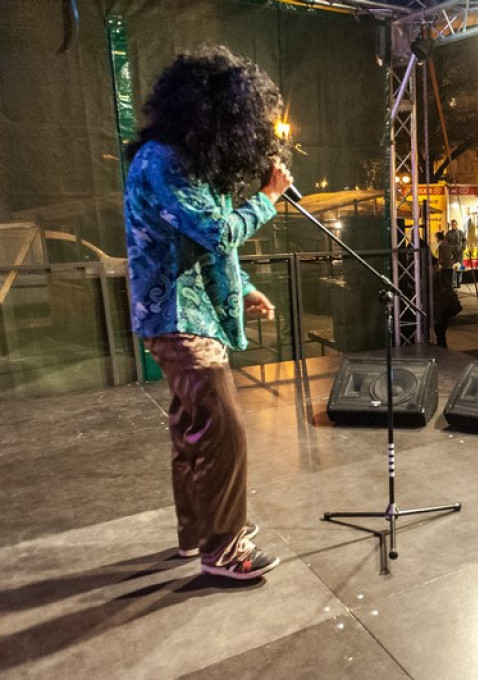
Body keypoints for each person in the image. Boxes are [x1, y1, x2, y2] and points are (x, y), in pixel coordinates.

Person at [124, 46, 292, 580]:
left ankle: (196, 533)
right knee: (223, 432)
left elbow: (212, 250)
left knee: (193, 430)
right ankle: (225, 548)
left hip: (193, 315)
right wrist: (267, 198)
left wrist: (241, 288)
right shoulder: (161, 161)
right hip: (177, 318)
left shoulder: (191, 165)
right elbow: (218, 232)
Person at [446, 219, 467, 288]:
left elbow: (464, 241)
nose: (453, 225)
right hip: (452, 253)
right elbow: (446, 242)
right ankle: (454, 282)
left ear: (456, 224)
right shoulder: (448, 233)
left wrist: (463, 248)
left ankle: (459, 282)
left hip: (459, 252)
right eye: (452, 224)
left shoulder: (460, 232)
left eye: (454, 224)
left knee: (460, 267)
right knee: (453, 268)